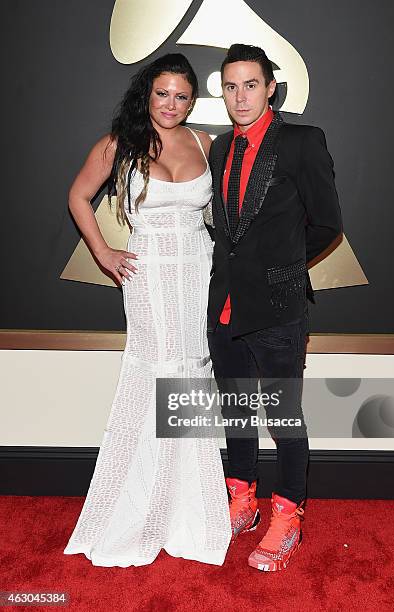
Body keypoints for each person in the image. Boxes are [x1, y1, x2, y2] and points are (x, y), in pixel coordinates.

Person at [63, 53, 231, 567]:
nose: (171, 105)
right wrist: (105, 253)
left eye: (182, 96)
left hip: (198, 271)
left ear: (192, 100)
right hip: (149, 275)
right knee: (154, 375)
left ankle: (190, 507)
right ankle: (139, 503)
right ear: (147, 93)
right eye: (163, 93)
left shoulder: (205, 143)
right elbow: (78, 197)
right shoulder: (120, 144)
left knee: (192, 373)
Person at [206, 44, 342, 572]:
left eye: (250, 85)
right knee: (236, 411)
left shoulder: (302, 143)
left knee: (283, 415)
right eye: (231, 86)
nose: (240, 96)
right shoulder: (220, 148)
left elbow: (327, 222)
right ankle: (242, 498)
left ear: (270, 89)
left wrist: (282, 267)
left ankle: (288, 511)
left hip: (280, 308)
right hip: (224, 309)